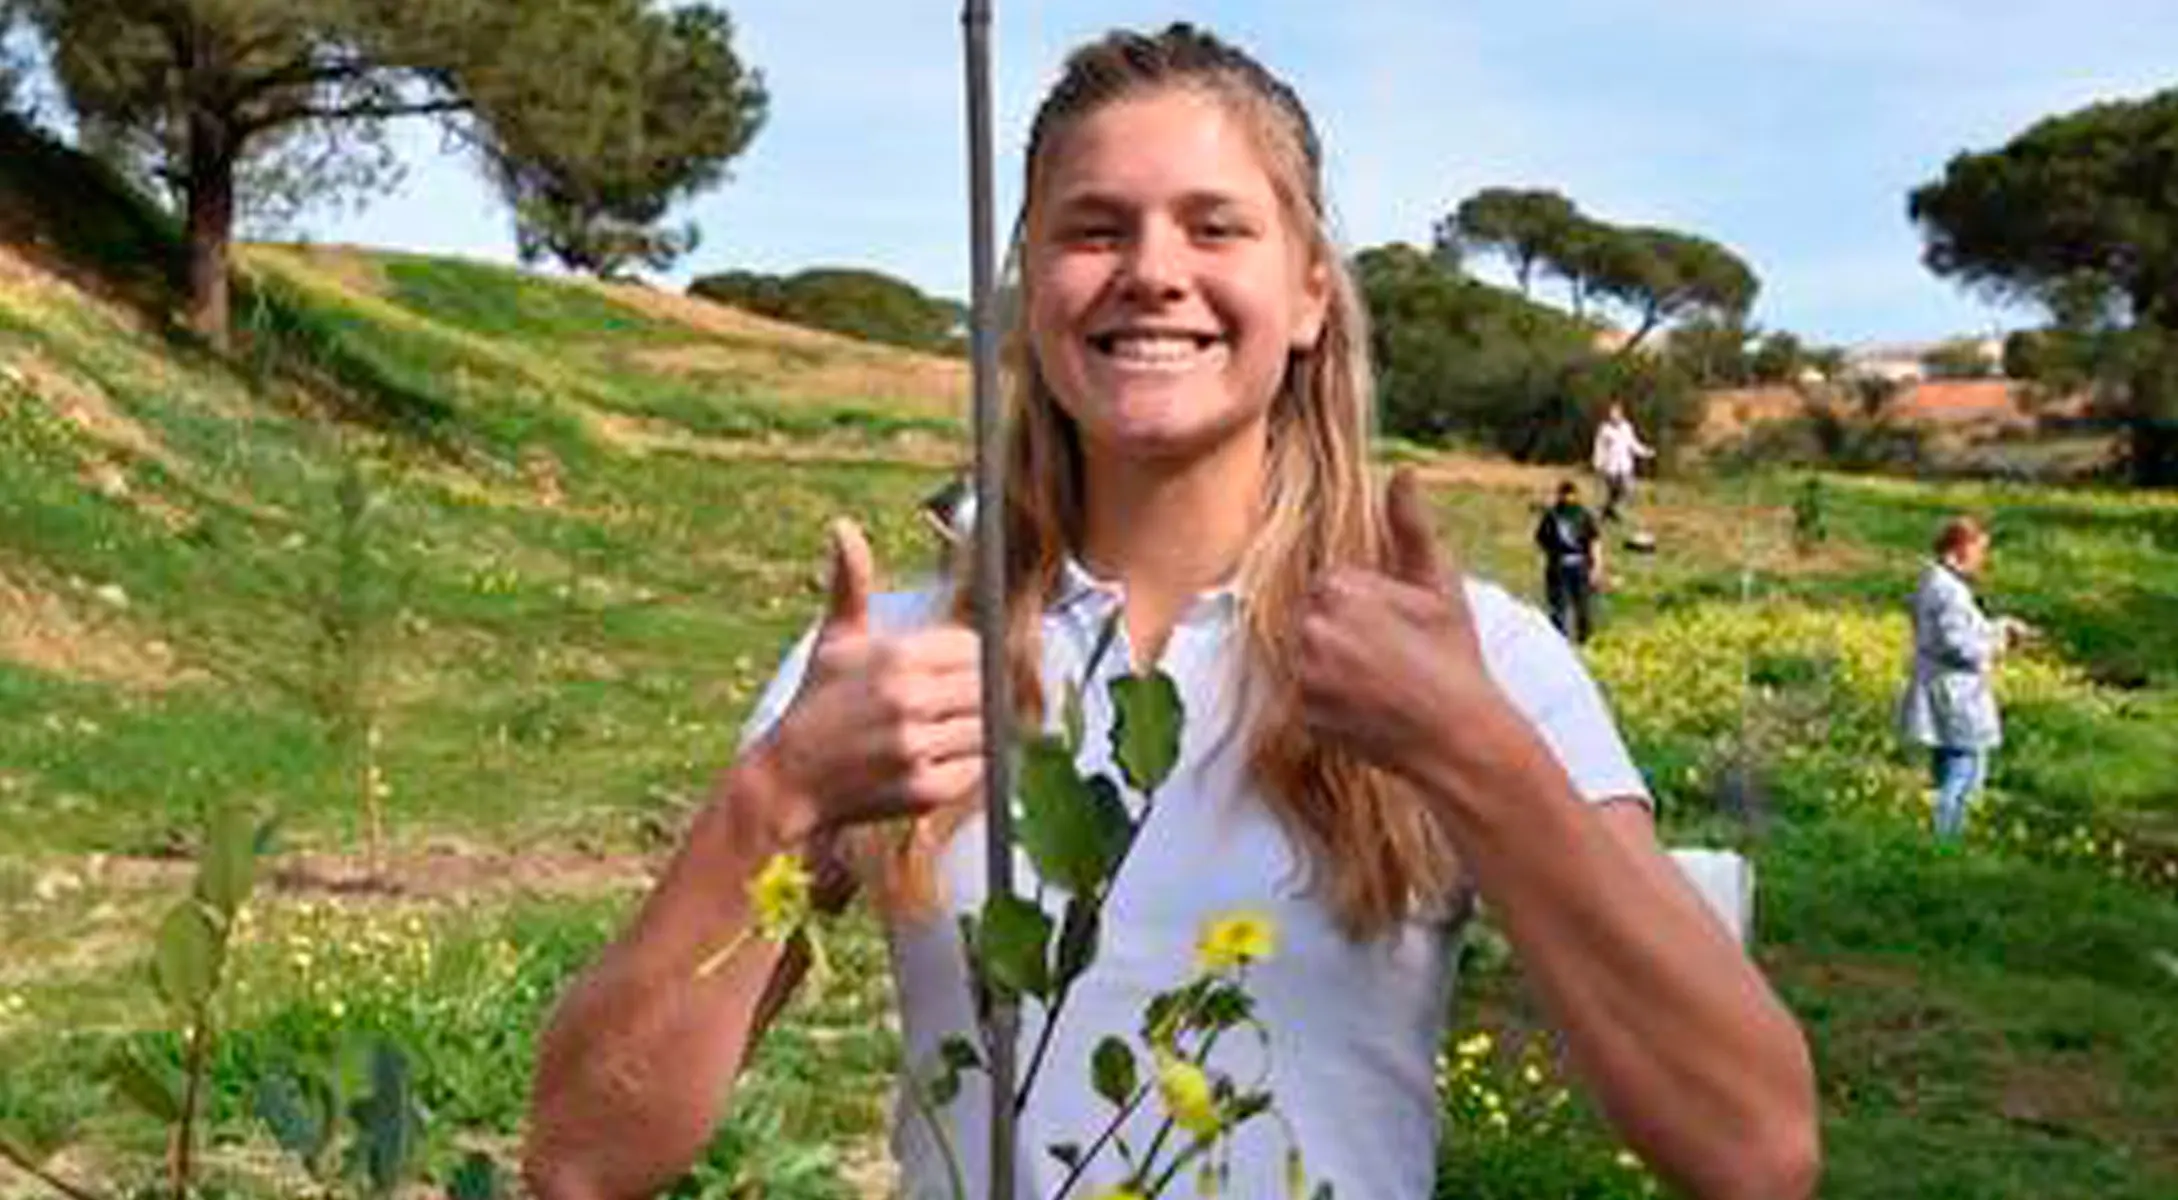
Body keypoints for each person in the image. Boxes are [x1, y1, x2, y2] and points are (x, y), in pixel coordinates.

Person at [524, 25, 1817, 1200]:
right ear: (1028, 283)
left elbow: (1752, 1146)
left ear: (1309, 290)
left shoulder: (1470, 661)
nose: (1151, 272)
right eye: (1093, 229)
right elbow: (583, 1157)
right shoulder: (890, 669)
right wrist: (776, 800)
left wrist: (1474, 750)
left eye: (1214, 227)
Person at [1897, 516, 2025, 840]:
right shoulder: (1947, 591)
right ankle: (1947, 841)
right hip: (1957, 693)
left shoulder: (1938, 583)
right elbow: (1958, 645)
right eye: (1977, 552)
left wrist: (2000, 626)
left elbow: (1963, 630)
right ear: (1955, 552)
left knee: (1949, 766)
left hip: (1946, 689)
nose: (1982, 560)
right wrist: (2001, 643)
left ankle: (1942, 842)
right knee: (1965, 770)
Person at [1535, 480, 1606, 644]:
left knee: (1582, 605)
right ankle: (1559, 639)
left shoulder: (1583, 515)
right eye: (1565, 494)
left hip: (1578, 564)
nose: (1568, 498)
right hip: (1560, 565)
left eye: (1570, 494)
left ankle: (1585, 639)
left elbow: (1594, 541)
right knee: (1559, 605)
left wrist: (1597, 566)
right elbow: (1542, 540)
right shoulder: (1552, 516)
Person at [1590, 402, 1653, 522]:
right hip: (1611, 466)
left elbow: (1633, 444)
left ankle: (1615, 511)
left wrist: (1645, 452)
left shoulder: (1627, 427)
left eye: (1616, 413)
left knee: (1629, 490)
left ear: (1621, 414)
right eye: (1612, 413)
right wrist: (1597, 463)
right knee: (1613, 492)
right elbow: (1599, 447)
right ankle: (1606, 512)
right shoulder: (1604, 429)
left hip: (1625, 465)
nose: (1614, 416)